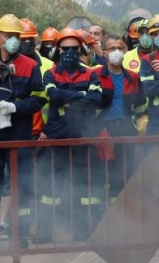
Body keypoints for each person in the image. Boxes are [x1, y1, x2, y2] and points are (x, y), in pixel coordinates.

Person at [38, 27, 102, 242]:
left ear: (81, 48)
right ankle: (46, 231)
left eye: (74, 48)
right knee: (52, 185)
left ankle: (84, 230)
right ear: (57, 50)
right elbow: (53, 96)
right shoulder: (50, 73)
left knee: (84, 184)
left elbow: (96, 99)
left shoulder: (90, 73)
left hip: (84, 133)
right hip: (57, 135)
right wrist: (81, 95)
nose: (69, 52)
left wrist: (69, 100)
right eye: (65, 49)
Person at [0, 14, 46, 246]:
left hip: (20, 135)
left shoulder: (30, 66)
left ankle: (21, 234)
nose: (13, 40)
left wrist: (14, 107)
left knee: (23, 185)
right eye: (8, 35)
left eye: (16, 36)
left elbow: (39, 99)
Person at [96, 34, 147, 204]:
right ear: (104, 52)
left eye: (119, 48)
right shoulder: (94, 75)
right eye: (111, 48)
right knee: (102, 176)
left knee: (124, 175)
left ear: (125, 50)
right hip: (102, 131)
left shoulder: (133, 77)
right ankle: (102, 217)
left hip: (126, 130)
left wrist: (141, 128)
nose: (116, 51)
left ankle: (121, 217)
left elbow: (141, 106)